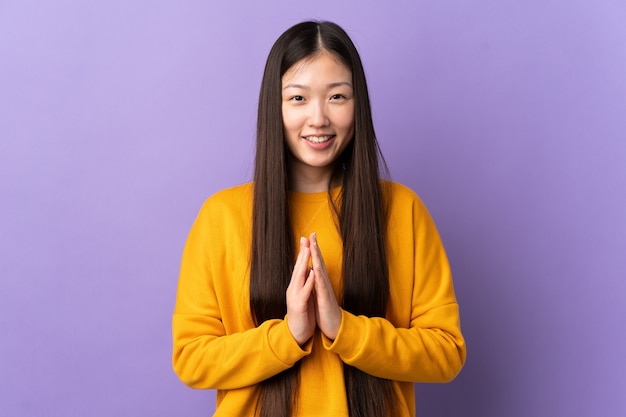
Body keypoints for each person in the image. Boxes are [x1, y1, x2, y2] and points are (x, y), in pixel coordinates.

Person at [172, 20, 466, 417]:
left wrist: (344, 328)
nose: (318, 118)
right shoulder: (221, 217)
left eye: (337, 97)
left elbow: (446, 353)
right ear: (273, 107)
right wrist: (288, 335)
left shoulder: (402, 210)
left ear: (357, 104)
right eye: (297, 98)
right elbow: (191, 358)